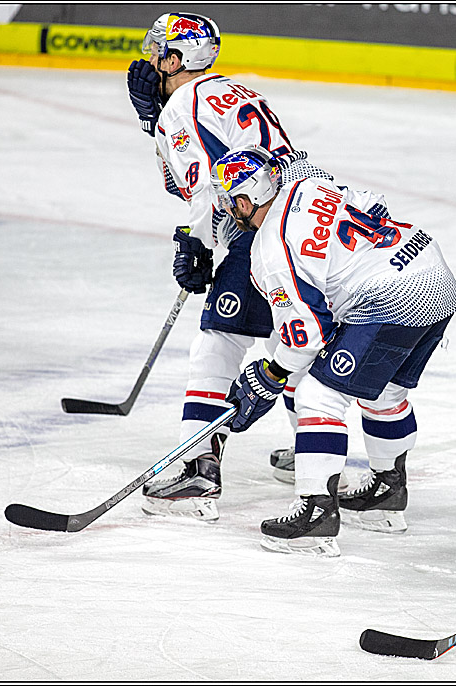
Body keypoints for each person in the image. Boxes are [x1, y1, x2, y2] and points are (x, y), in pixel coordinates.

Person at [125, 12, 335, 520]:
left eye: (159, 52)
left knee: (218, 341)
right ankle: (316, 457)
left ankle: (197, 470)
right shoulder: (230, 91)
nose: (151, 60)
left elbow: (200, 186)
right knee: (286, 338)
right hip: (306, 215)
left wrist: (194, 245)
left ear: (176, 61)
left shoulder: (182, 103)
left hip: (262, 227)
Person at [209, 145, 456, 557]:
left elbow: (306, 335)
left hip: (391, 296)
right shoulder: (305, 183)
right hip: (433, 271)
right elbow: (370, 203)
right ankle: (387, 492)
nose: (224, 209)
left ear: (246, 198)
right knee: (383, 391)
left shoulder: (272, 249)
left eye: (227, 198)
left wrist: (268, 378)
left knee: (318, 394)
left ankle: (316, 513)